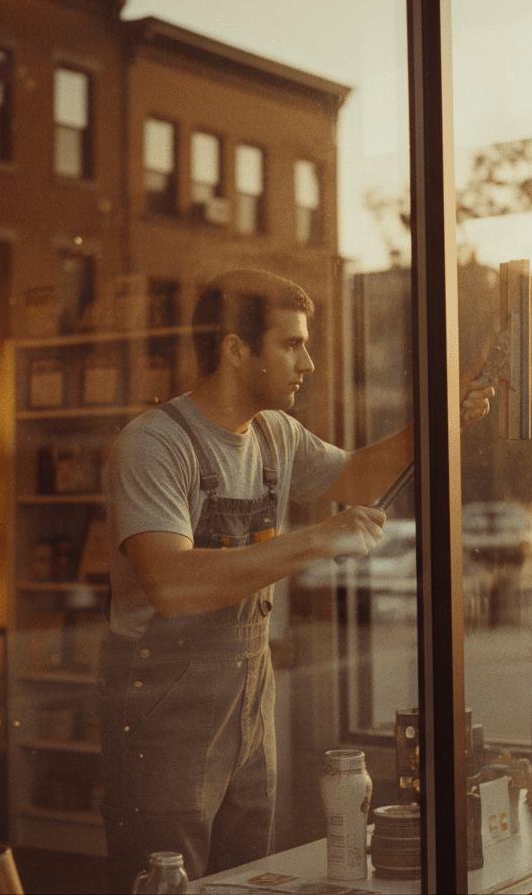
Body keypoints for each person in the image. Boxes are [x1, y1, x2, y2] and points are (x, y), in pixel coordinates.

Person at [99, 269, 492, 891]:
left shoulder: (274, 435)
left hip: (250, 699)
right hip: (163, 714)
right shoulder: (154, 446)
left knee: (248, 875)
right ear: (235, 349)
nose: (307, 362)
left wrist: (445, 417)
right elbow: (171, 584)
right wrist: (315, 539)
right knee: (168, 883)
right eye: (291, 344)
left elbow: (360, 475)